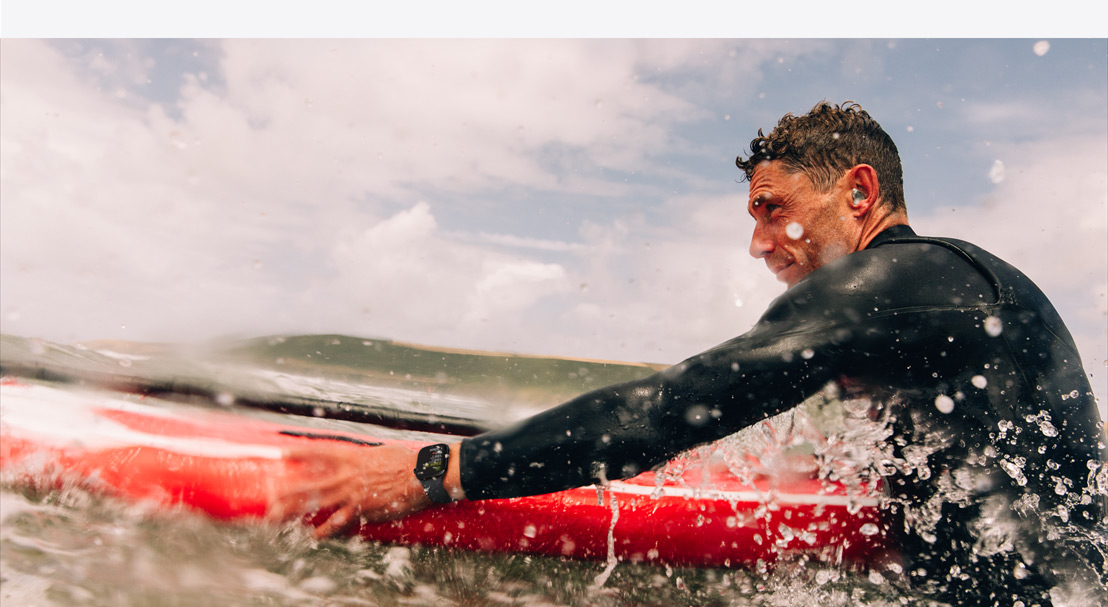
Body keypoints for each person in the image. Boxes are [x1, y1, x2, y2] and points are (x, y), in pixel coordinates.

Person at [269, 101, 1107, 606]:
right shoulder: (939, 298)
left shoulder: (893, 284)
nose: (758, 243)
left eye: (772, 208)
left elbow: (671, 409)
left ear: (858, 191)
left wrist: (437, 470)